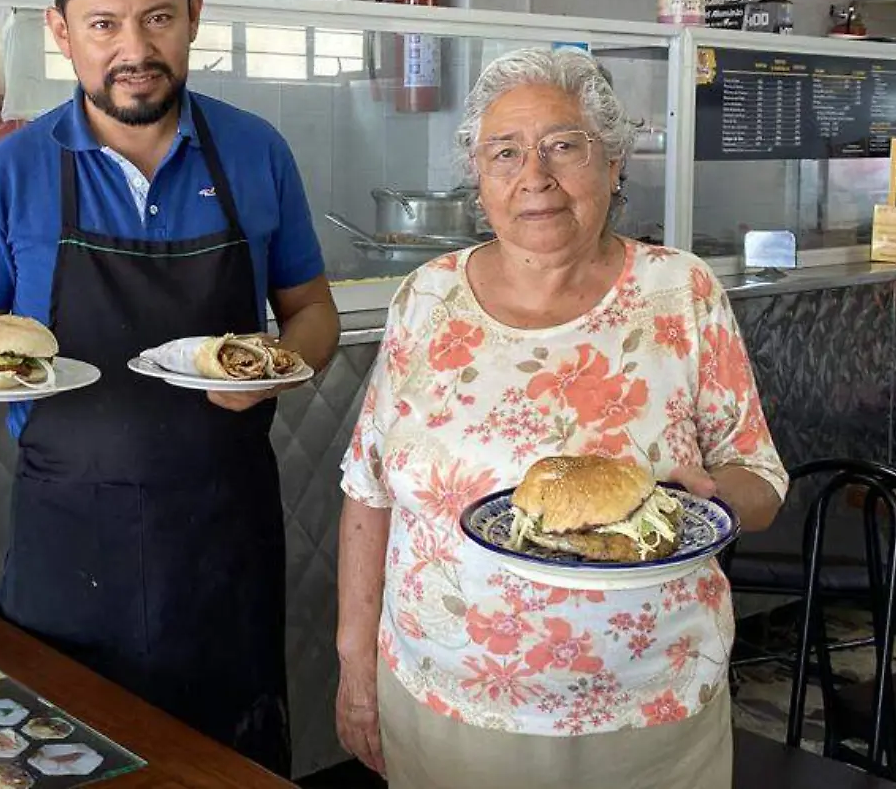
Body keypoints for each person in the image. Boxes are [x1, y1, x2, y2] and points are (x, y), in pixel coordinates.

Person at [0, 0, 341, 774]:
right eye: (103, 23)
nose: (133, 47)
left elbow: (314, 313)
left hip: (224, 536)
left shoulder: (256, 153)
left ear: (194, 14)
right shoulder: (12, 170)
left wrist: (283, 366)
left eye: (158, 18)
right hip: (69, 540)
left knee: (226, 767)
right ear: (61, 31)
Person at [333, 48, 787, 789]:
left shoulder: (681, 291)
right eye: (504, 153)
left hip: (644, 709)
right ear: (479, 181)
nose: (533, 177)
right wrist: (357, 663)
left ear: (613, 164)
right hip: (446, 702)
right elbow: (368, 487)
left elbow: (762, 480)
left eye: (563, 147)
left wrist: (710, 499)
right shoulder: (427, 297)